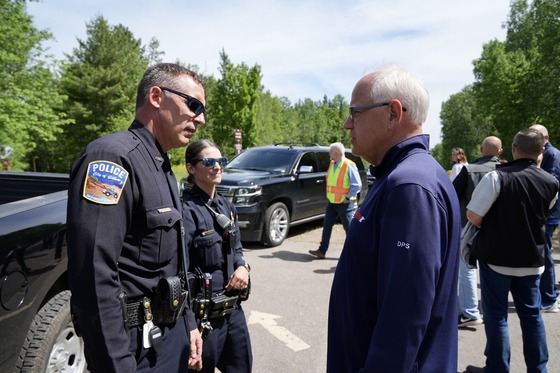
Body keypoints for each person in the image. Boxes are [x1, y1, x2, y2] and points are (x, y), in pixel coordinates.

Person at [67, 63, 205, 372]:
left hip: (170, 335)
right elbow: (93, 274)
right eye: (194, 105)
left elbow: (175, 264)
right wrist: (116, 364)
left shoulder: (163, 167)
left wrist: (190, 325)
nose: (201, 118)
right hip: (132, 347)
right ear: (156, 96)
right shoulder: (111, 158)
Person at [327, 64, 461, 372]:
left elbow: (404, 318)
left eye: (355, 113)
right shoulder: (403, 176)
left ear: (393, 113)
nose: (348, 124)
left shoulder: (409, 185)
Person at [464, 128, 559, 373]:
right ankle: (538, 369)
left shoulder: (497, 177)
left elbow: (473, 214)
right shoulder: (551, 182)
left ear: (514, 149)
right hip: (532, 259)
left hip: (496, 258)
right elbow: (542, 213)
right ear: (541, 152)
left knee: (496, 317)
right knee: (532, 316)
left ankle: (497, 368)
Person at [182, 139, 253, 373]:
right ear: (191, 168)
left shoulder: (225, 206)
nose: (217, 167)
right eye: (209, 162)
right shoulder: (186, 211)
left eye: (221, 161)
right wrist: (189, 325)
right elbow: (180, 270)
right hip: (204, 318)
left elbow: (238, 248)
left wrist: (243, 267)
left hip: (233, 311)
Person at [453, 136, 503, 327]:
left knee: (467, 267)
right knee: (497, 268)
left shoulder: (469, 170)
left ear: (481, 149)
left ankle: (471, 312)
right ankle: (494, 311)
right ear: (501, 151)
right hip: (501, 228)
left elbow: (451, 194)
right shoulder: (508, 169)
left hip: (469, 225)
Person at [308, 142, 362, 259]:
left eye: (330, 152)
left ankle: (354, 254)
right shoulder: (333, 163)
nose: (329, 154)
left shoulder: (349, 165)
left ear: (336, 153)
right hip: (332, 202)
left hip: (345, 203)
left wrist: (347, 198)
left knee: (349, 229)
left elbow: (357, 185)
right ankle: (322, 251)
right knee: (327, 226)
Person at [530, 124, 560, 313]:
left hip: (549, 213)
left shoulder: (552, 154)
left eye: (536, 135)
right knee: (543, 253)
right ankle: (547, 296)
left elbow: (551, 183)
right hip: (546, 212)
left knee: (545, 254)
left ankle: (549, 299)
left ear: (546, 137)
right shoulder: (545, 152)